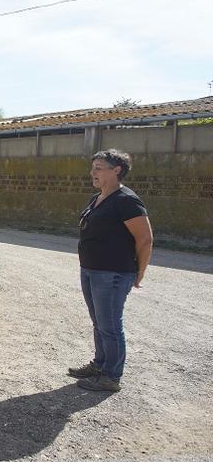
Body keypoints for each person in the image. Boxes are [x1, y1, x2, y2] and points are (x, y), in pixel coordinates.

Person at [69, 149, 153, 392]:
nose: (92, 172)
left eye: (98, 167)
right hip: (92, 270)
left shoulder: (126, 200)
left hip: (113, 273)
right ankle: (100, 364)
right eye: (93, 166)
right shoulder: (98, 198)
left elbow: (145, 239)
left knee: (110, 325)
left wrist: (140, 271)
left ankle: (111, 376)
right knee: (99, 322)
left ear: (116, 170)